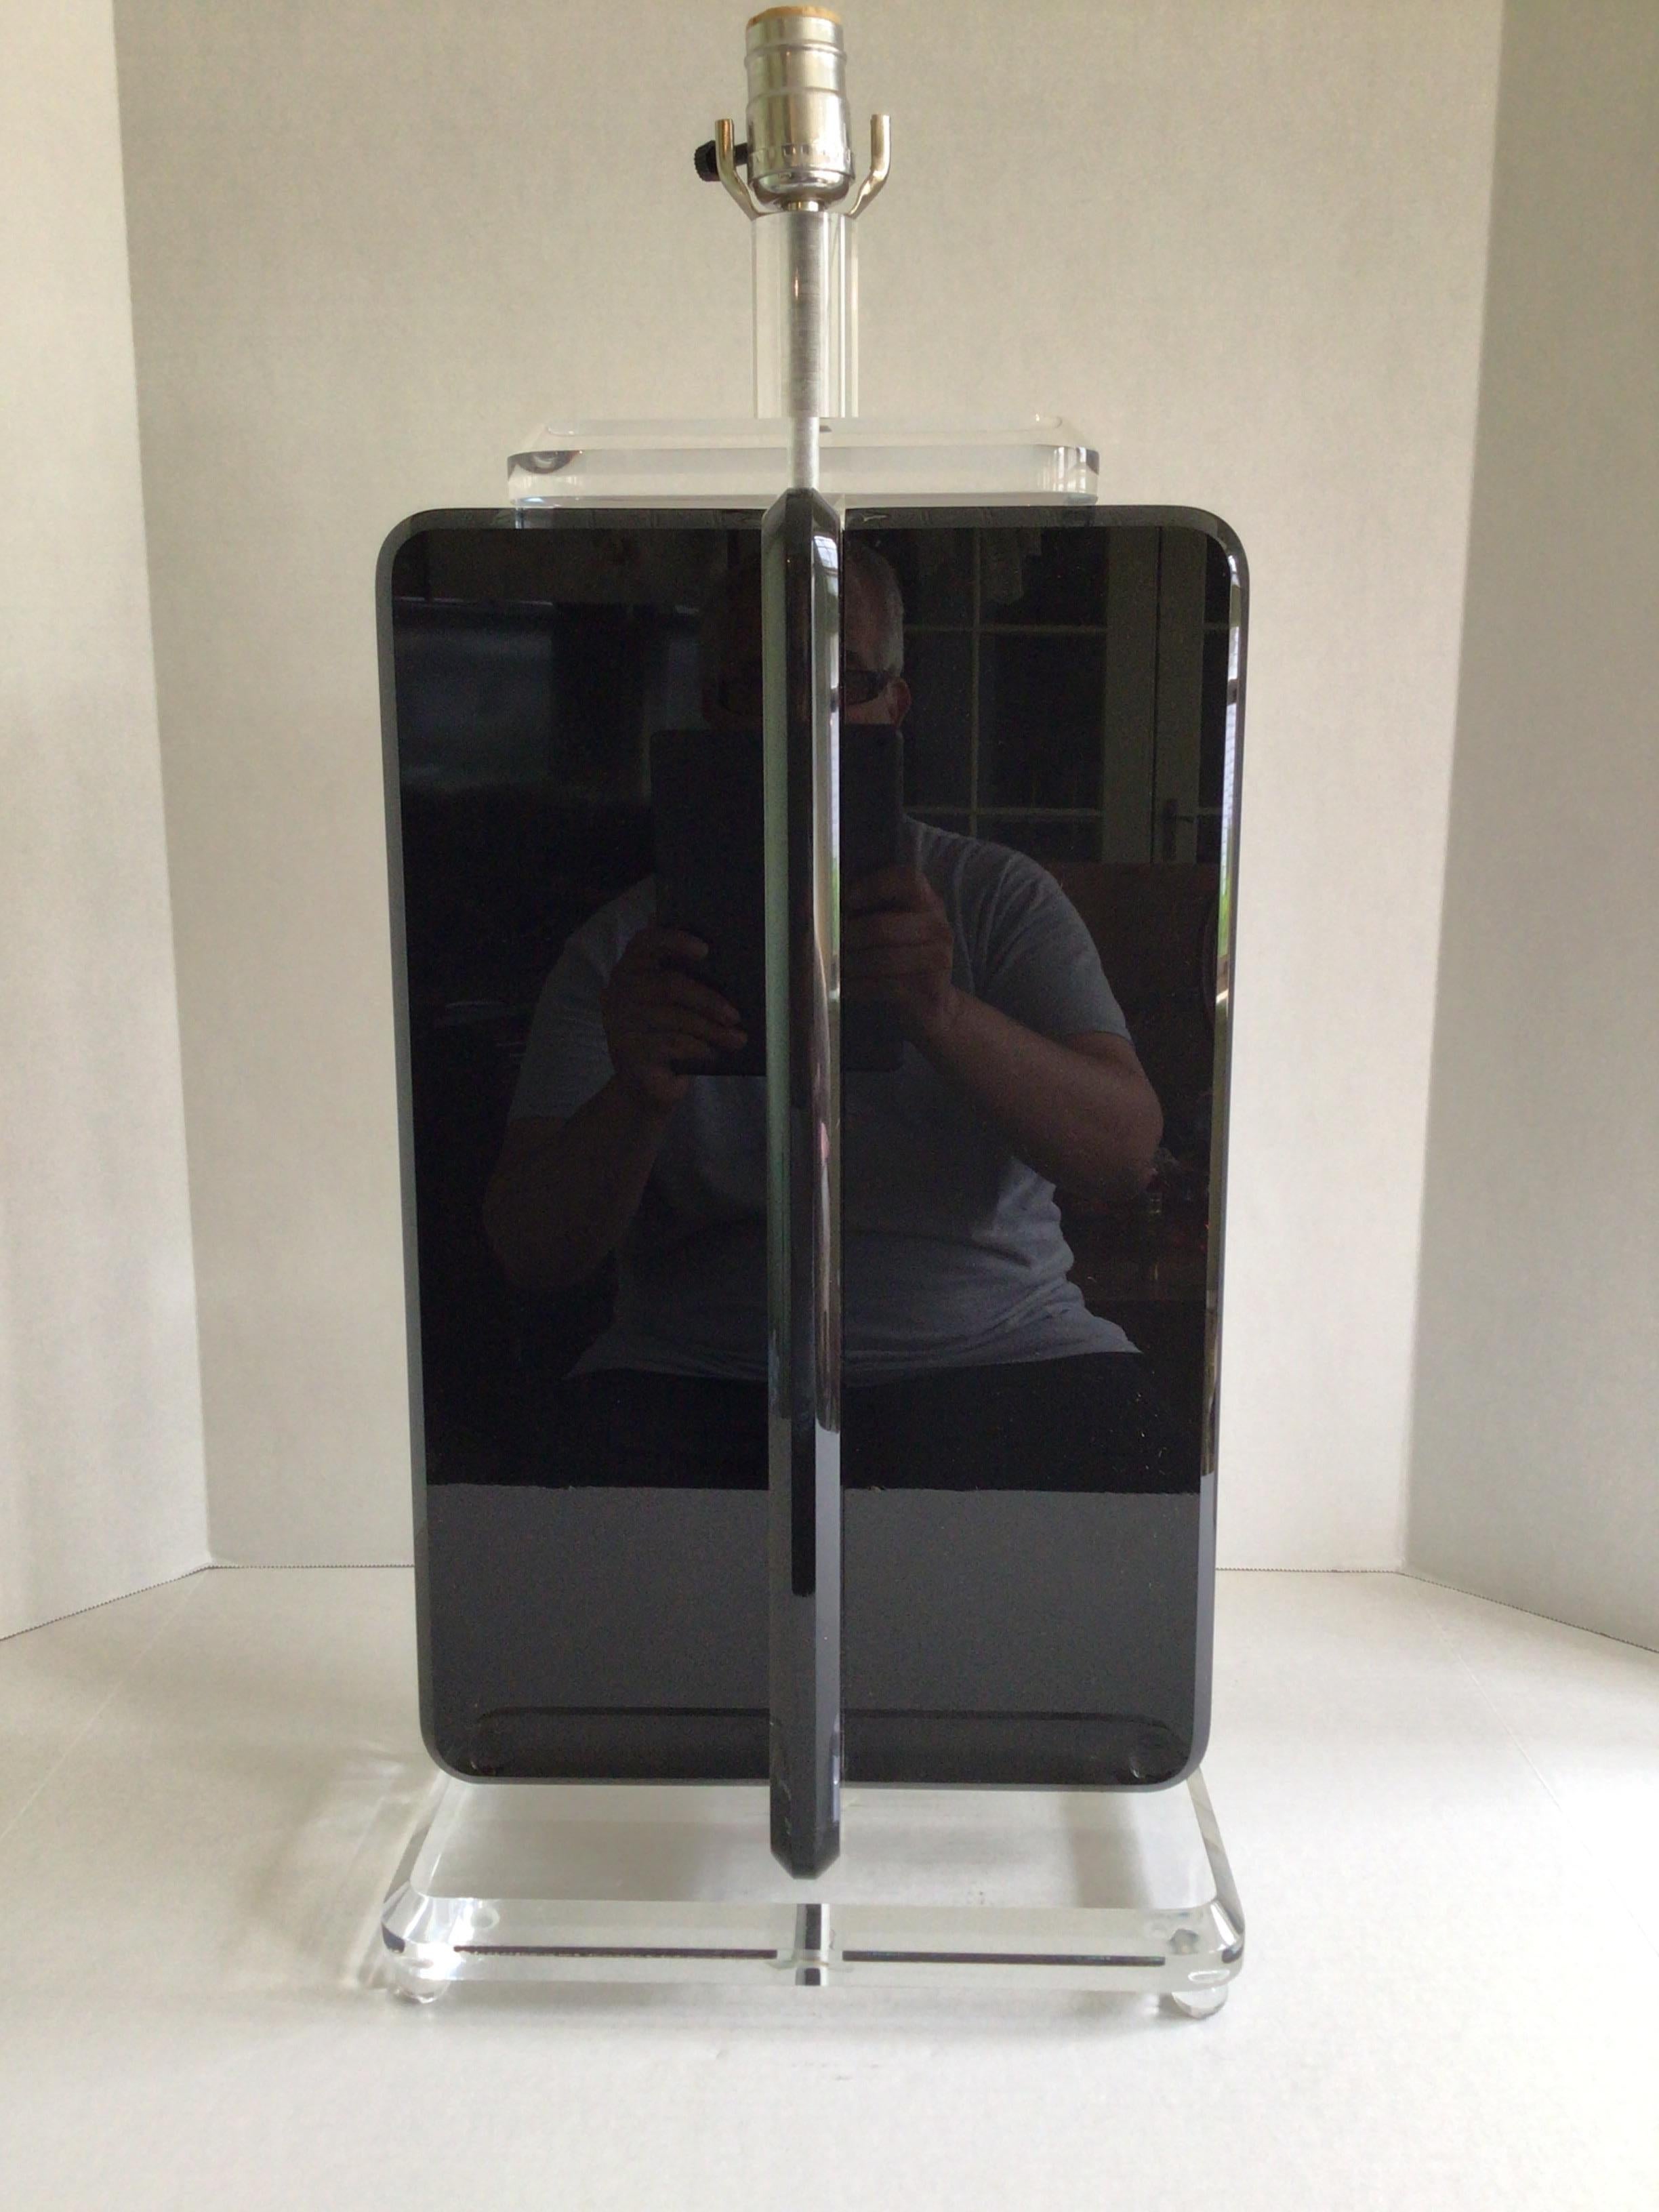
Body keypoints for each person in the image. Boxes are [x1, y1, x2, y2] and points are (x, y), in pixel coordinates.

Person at [483, 545, 1191, 1490]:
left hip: (1004, 1346)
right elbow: (531, 1252)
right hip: (699, 1369)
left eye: (836, 684)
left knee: (1153, 1532)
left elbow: (1123, 1153)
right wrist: (637, 1096)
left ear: (893, 707)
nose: (797, 723)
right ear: (715, 712)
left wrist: (940, 1012)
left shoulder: (999, 898)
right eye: (756, 686)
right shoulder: (623, 948)